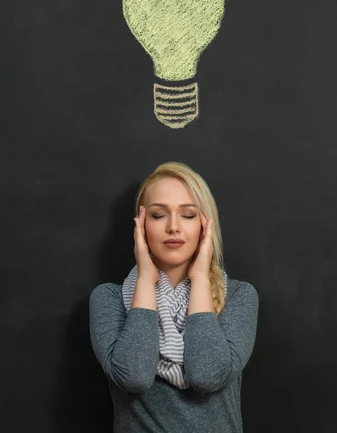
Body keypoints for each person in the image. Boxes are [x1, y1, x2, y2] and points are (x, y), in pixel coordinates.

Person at [89, 162, 259, 433]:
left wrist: (201, 278)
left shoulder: (239, 296)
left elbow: (207, 375)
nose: (173, 227)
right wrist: (145, 278)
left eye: (188, 215)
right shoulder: (109, 299)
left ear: (206, 225)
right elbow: (134, 376)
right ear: (141, 225)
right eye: (158, 215)